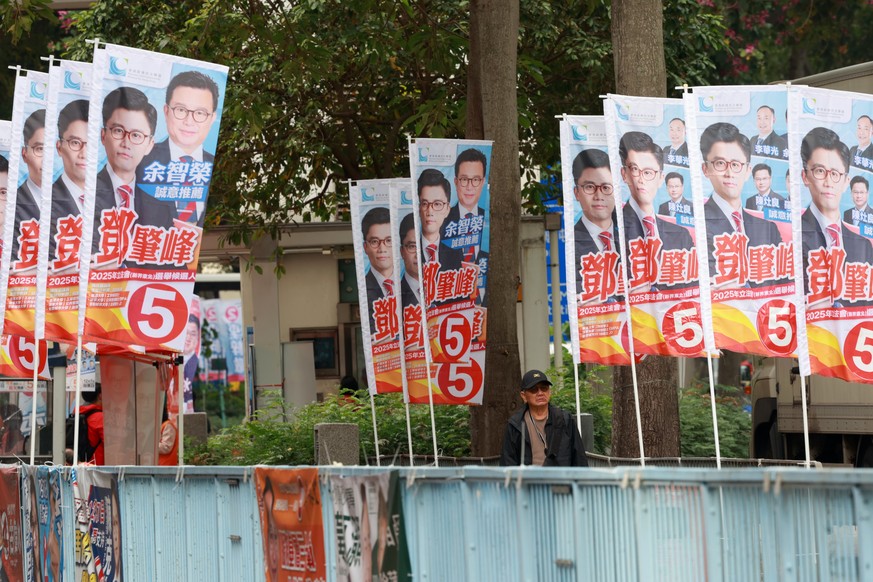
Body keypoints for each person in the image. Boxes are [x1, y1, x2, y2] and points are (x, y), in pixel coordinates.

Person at [700, 122, 783, 282]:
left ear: (747, 171)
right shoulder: (697, 223)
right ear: (706, 169)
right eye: (720, 164)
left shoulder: (768, 229)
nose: (729, 173)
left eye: (736, 165)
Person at [95, 87, 177, 245]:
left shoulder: (162, 205)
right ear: (103, 135)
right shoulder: (82, 194)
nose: (126, 143)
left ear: (149, 145)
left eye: (136, 135)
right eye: (118, 131)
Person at [138, 70, 220, 227]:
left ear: (212, 118)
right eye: (181, 110)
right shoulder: (140, 161)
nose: (189, 121)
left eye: (200, 113)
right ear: (166, 111)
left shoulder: (220, 167)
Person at [801, 127, 873, 303]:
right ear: (805, 177)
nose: (828, 182)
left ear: (846, 181)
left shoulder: (863, 245)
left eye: (835, 174)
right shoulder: (793, 236)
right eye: (819, 171)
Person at [619, 131, 694, 290]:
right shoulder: (613, 230)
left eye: (648, 172)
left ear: (661, 179)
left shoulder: (681, 235)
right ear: (624, 174)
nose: (641, 179)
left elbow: (691, 289)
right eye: (634, 170)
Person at [50, 99, 106, 264]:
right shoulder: (43, 202)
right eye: (75, 143)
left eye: (92, 144)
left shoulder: (119, 199)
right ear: (59, 147)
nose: (84, 153)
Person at [500, 369, 588, 467]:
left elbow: (579, 458)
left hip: (561, 481)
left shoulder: (565, 420)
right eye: (534, 389)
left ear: (549, 392)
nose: (540, 393)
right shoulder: (515, 424)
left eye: (544, 388)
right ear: (524, 396)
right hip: (528, 481)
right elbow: (507, 463)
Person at [570, 148, 619, 298]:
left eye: (606, 187)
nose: (599, 196)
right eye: (589, 187)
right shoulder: (570, 243)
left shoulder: (633, 237)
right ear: (577, 193)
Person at [13, 109, 45, 262]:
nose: (47, 159)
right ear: (24, 153)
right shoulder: (11, 203)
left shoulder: (85, 201)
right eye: (40, 149)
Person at [417, 169, 462, 270]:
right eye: (425, 204)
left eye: (437, 204)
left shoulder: (455, 253)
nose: (430, 211)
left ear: (447, 210)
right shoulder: (411, 250)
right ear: (419, 208)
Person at [361, 207, 395, 338]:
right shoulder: (363, 289)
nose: (382, 249)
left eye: (388, 241)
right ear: (365, 247)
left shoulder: (412, 284)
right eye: (375, 242)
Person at [78, 383, 105, 465]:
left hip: (82, 464)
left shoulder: (78, 414)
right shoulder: (100, 418)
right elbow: (111, 444)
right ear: (100, 396)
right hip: (98, 467)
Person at [398, 213, 419, 309]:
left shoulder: (450, 290)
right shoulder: (393, 295)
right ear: (402, 251)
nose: (419, 254)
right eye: (412, 246)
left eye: (424, 246)